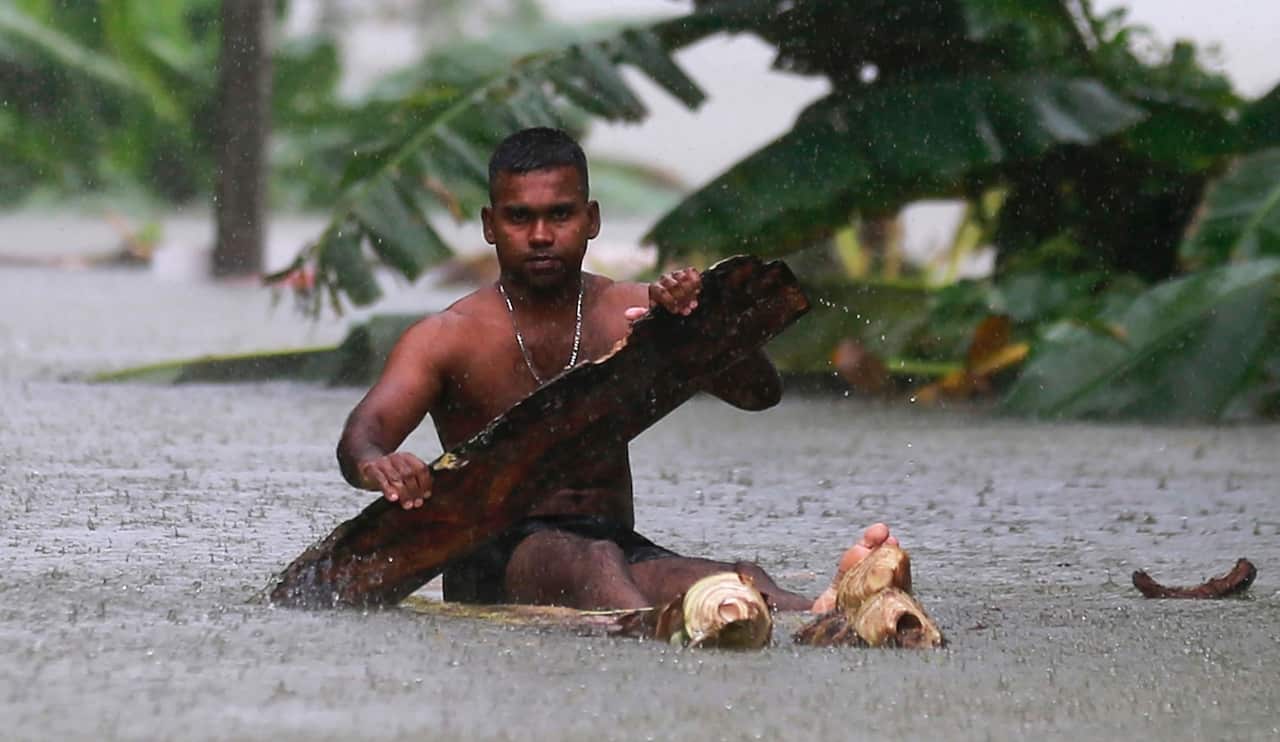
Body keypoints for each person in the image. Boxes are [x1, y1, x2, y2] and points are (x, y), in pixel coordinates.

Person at [336, 127, 896, 613]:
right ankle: (650, 628)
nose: (539, 236)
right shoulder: (445, 337)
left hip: (614, 546)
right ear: (489, 225)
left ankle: (831, 609)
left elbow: (760, 394)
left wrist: (694, 330)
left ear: (591, 218)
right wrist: (379, 466)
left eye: (559, 214)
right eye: (519, 217)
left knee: (737, 584)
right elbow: (364, 434)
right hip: (496, 559)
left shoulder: (633, 308)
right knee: (592, 563)